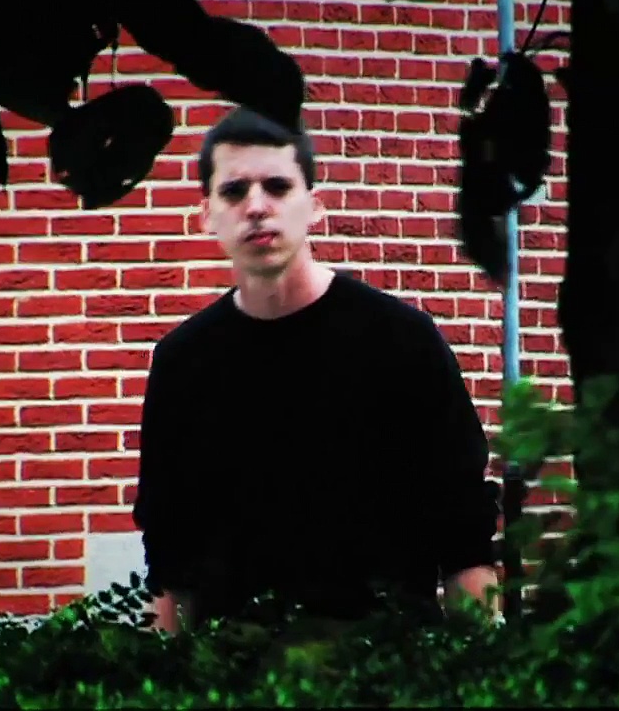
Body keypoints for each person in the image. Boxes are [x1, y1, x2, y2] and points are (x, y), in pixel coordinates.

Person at [131, 106, 501, 636]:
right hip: (234, 669)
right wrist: (159, 672)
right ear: (206, 215)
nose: (256, 206)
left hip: (384, 665)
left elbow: (464, 533)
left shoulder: (402, 342)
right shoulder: (182, 363)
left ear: (315, 207)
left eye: (277, 186)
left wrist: (482, 664)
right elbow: (170, 557)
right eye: (234, 191)